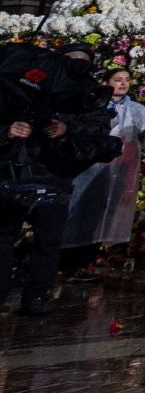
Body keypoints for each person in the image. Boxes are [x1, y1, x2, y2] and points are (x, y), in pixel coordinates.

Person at [0, 45, 115, 316]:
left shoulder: (86, 96)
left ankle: (36, 295)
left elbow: (99, 132)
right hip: (12, 175)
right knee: (3, 237)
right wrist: (8, 131)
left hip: (54, 178)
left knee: (48, 241)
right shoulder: (19, 87)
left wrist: (67, 129)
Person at [60, 66, 145, 280]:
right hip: (94, 164)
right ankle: (69, 260)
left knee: (105, 211)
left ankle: (87, 261)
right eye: (117, 79)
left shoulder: (136, 109)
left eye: (126, 79)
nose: (123, 83)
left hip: (120, 165)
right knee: (82, 208)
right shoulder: (96, 104)